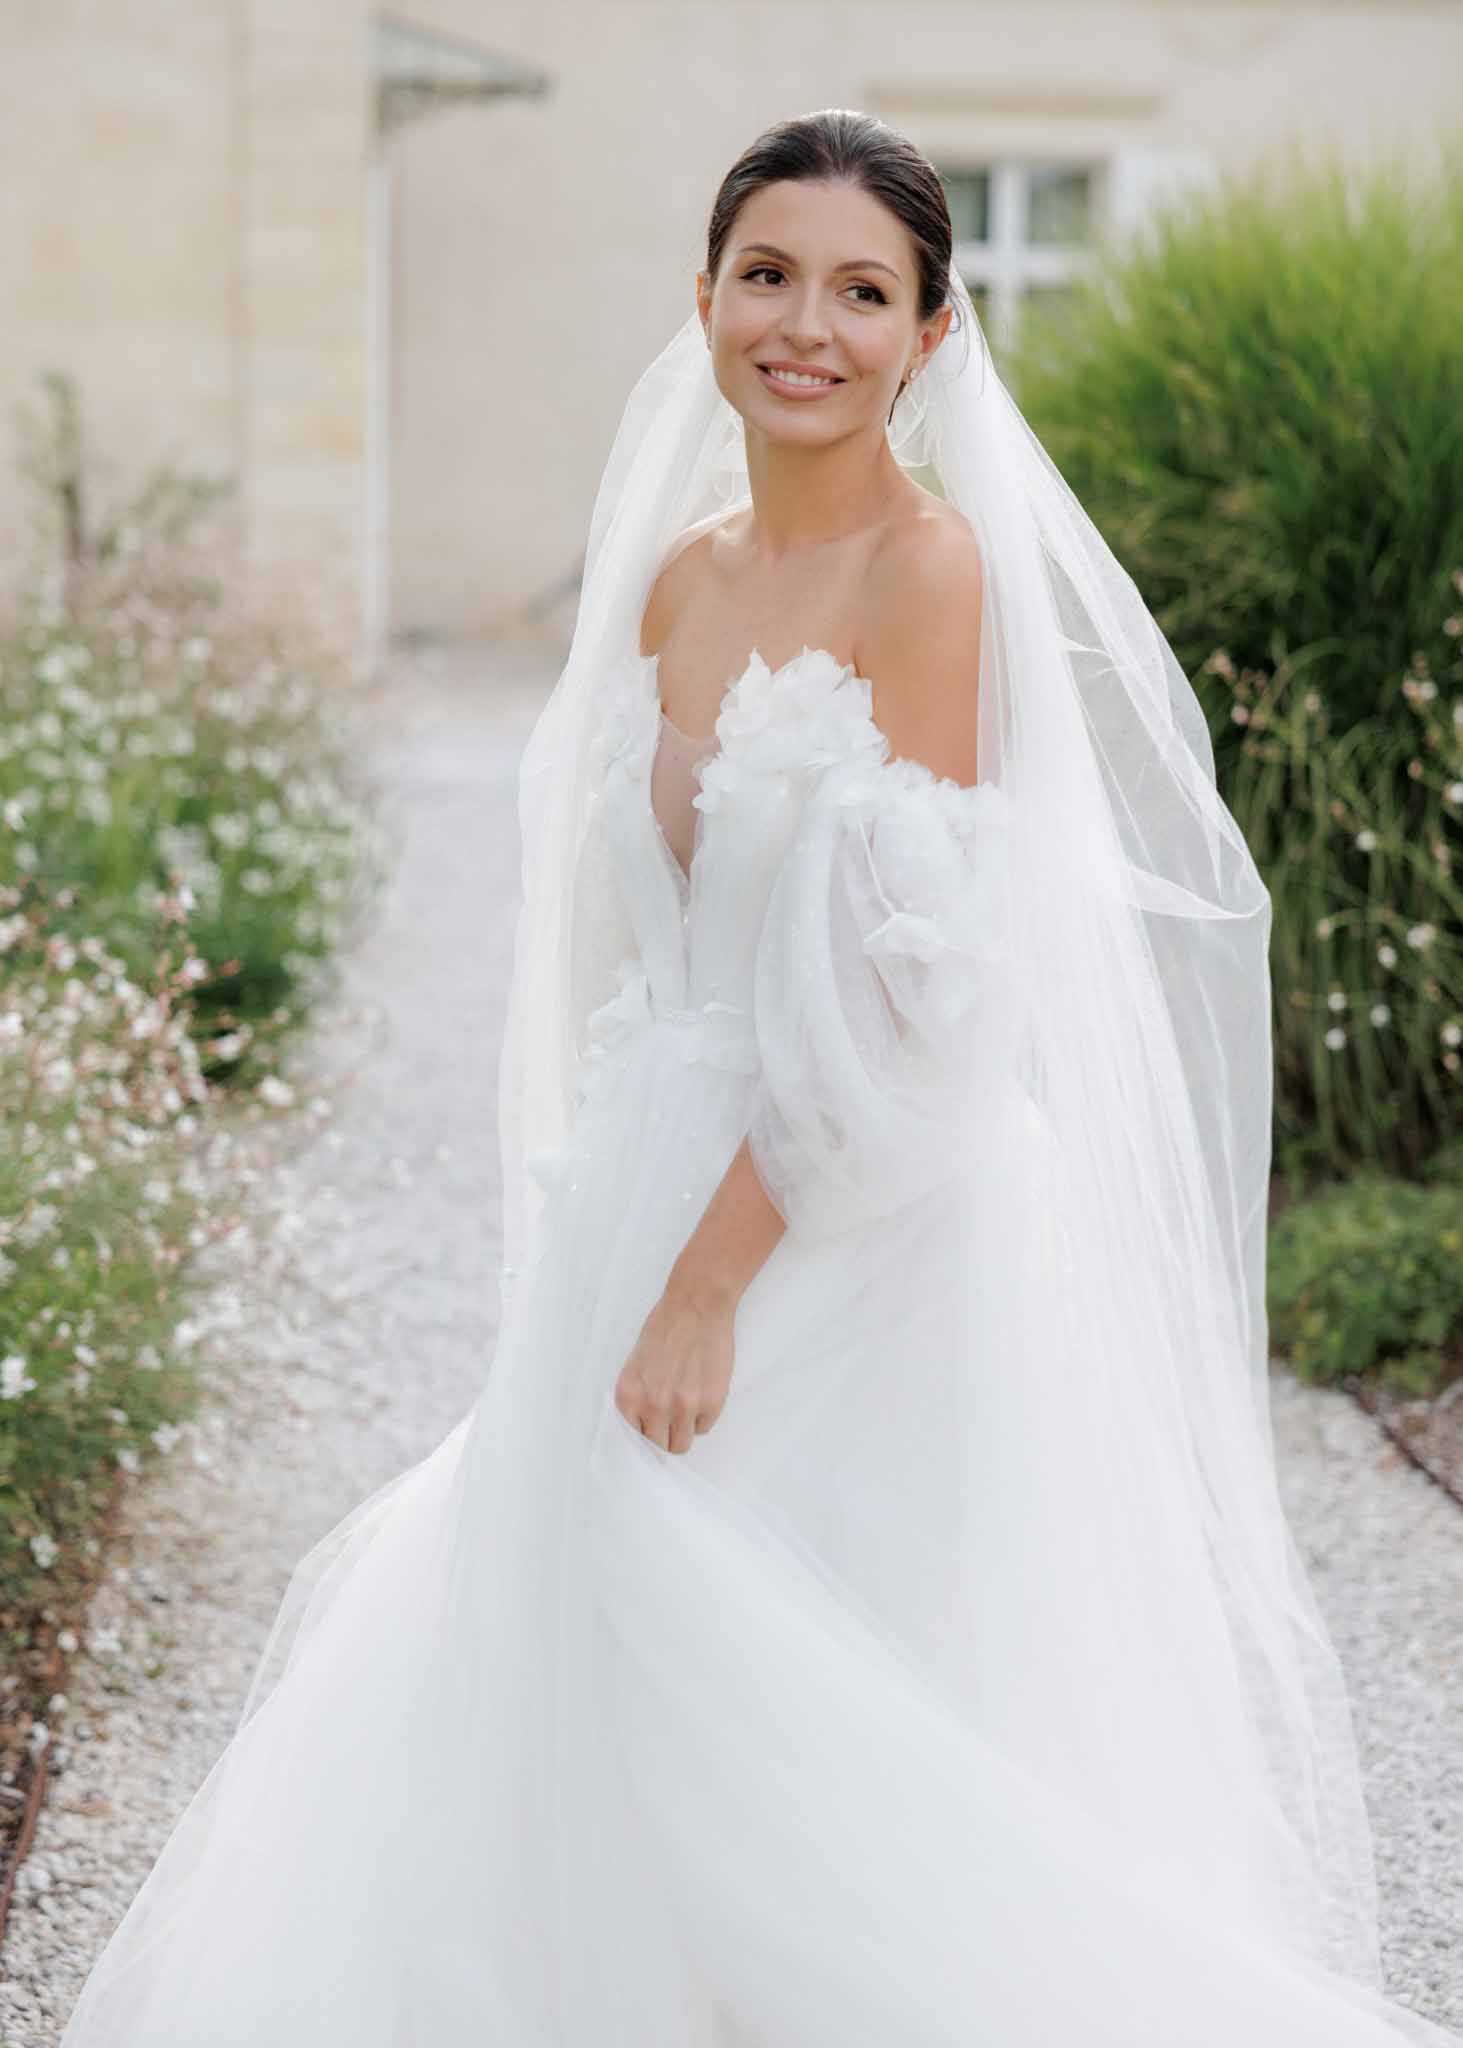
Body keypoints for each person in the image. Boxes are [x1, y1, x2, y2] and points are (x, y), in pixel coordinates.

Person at [59, 109, 1458, 2047]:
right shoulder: (676, 583)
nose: (808, 325)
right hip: (652, 1168)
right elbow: (660, 936)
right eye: (769, 276)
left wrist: (710, 1283)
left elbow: (914, 990)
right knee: (589, 1668)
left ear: (933, 334)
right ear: (705, 299)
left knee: (810, 1687)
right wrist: (622, 1225)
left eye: (862, 291)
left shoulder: (932, 576)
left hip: (855, 1213)